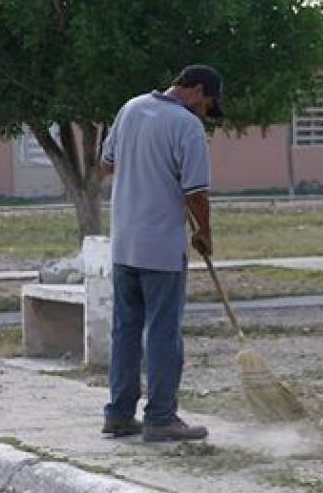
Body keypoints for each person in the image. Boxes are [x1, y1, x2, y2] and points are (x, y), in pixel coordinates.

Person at [99, 64, 223, 442]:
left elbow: (107, 165)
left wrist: (146, 168)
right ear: (197, 90)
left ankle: (118, 415)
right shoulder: (187, 126)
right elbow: (196, 193)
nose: (205, 112)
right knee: (163, 334)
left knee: (125, 330)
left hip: (124, 243)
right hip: (162, 248)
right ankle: (160, 418)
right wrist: (203, 233)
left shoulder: (131, 108)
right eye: (207, 104)